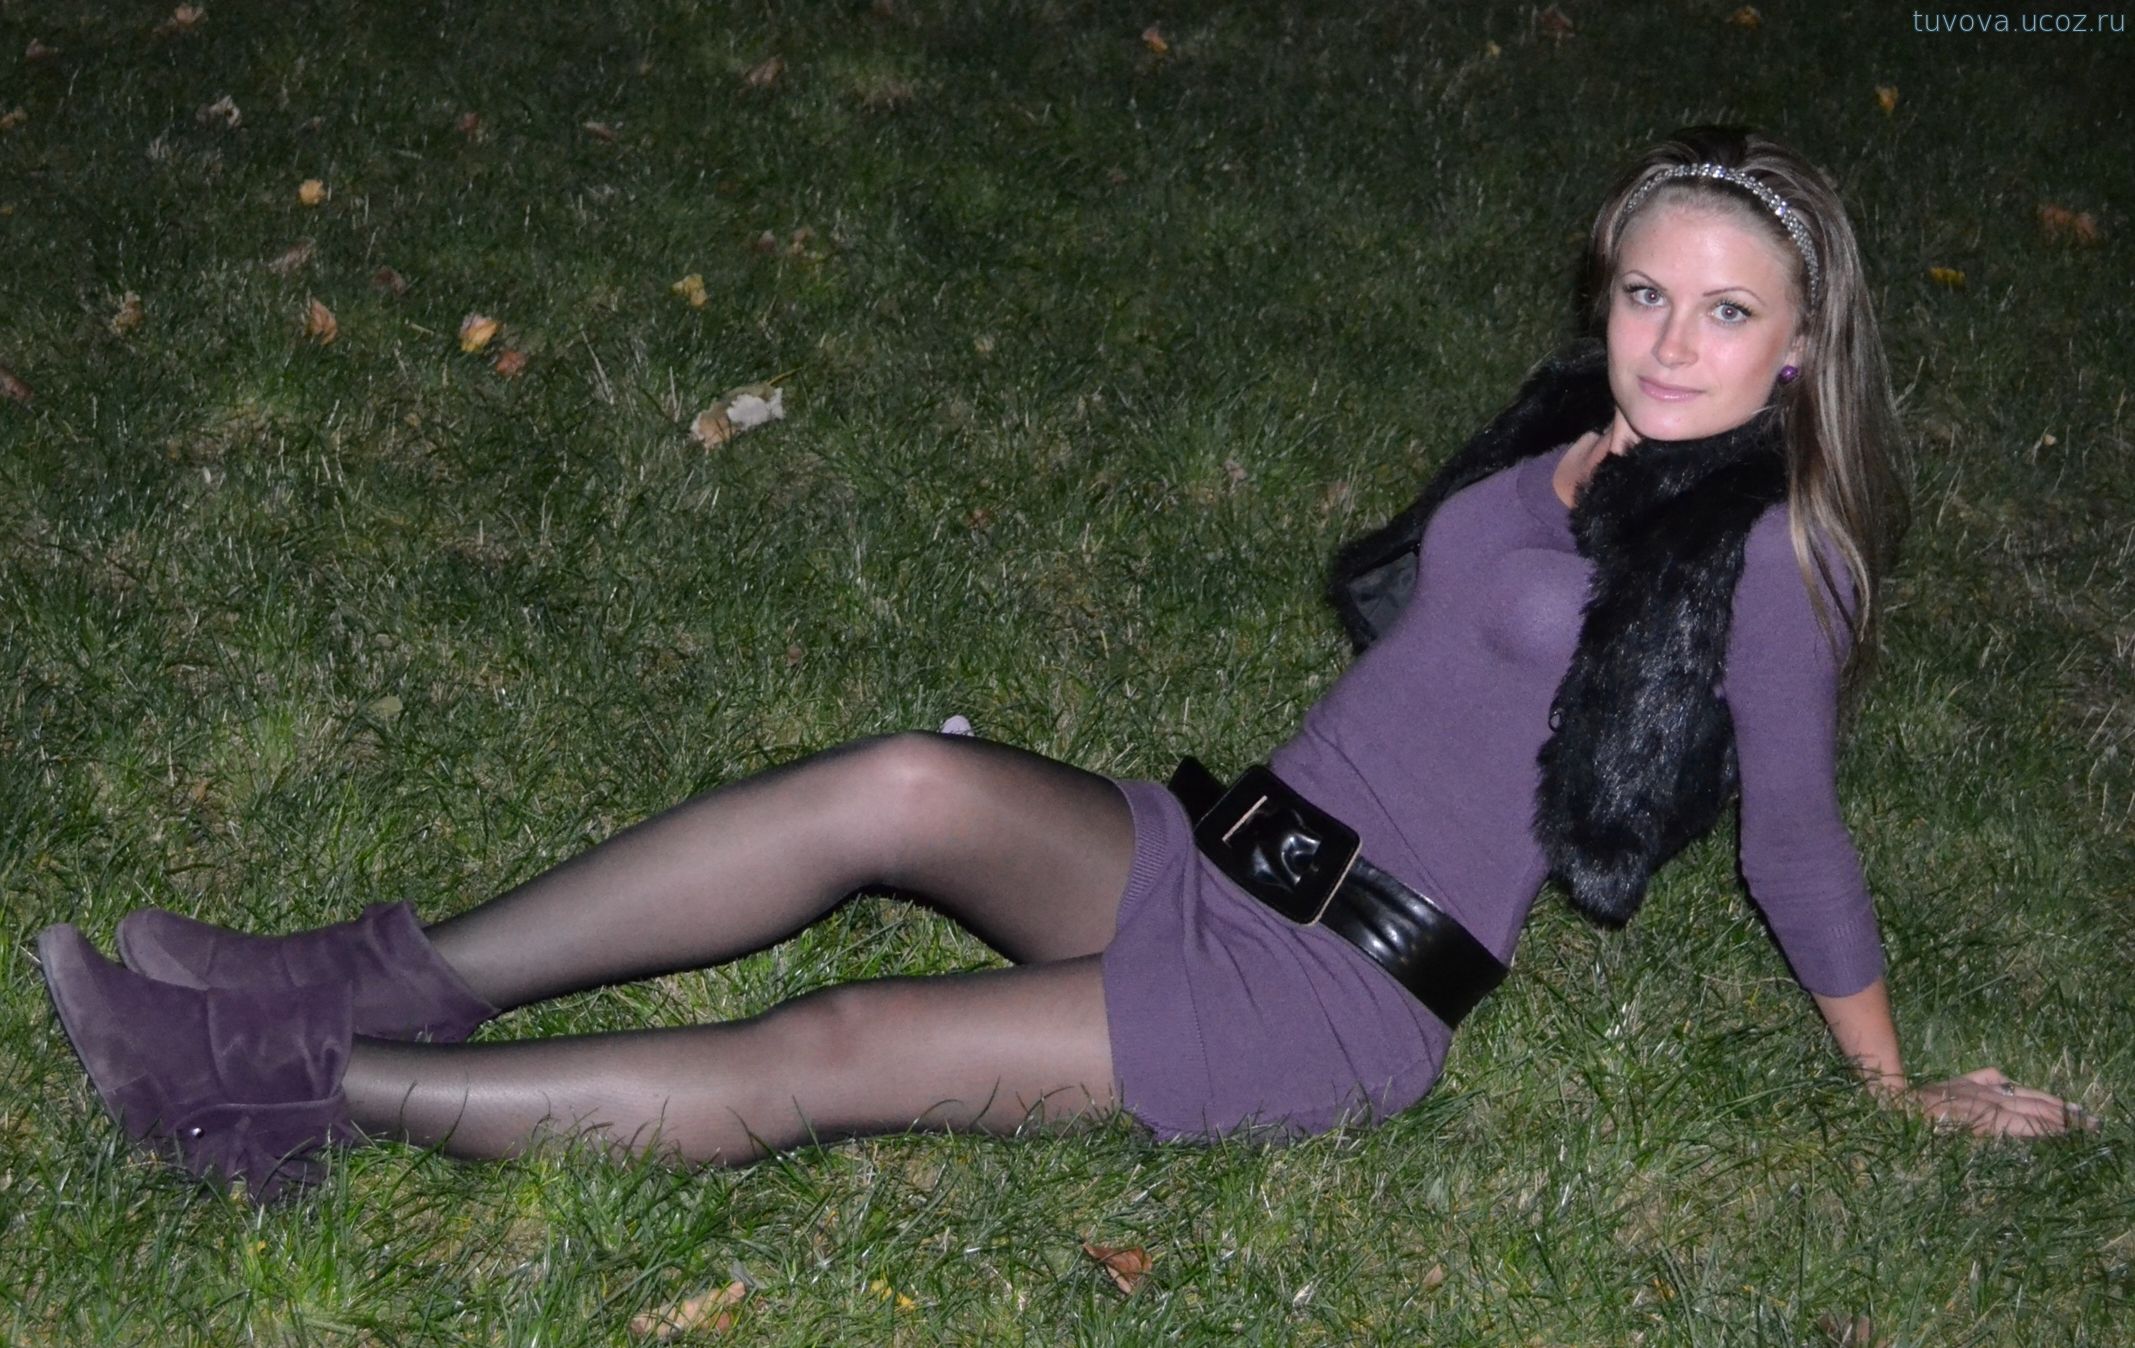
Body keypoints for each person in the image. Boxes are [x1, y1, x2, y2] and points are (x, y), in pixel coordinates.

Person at [36, 125, 2092, 1205]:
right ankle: (361, 977)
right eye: (1646, 291)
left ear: (1800, 349)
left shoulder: (1769, 555)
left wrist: (1896, 1086)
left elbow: (1797, 842)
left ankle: (268, 1092)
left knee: (842, 1041)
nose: (1669, 340)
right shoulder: (1580, 431)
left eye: (1725, 314)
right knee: (902, 782)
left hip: (1336, 990)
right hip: (1221, 848)